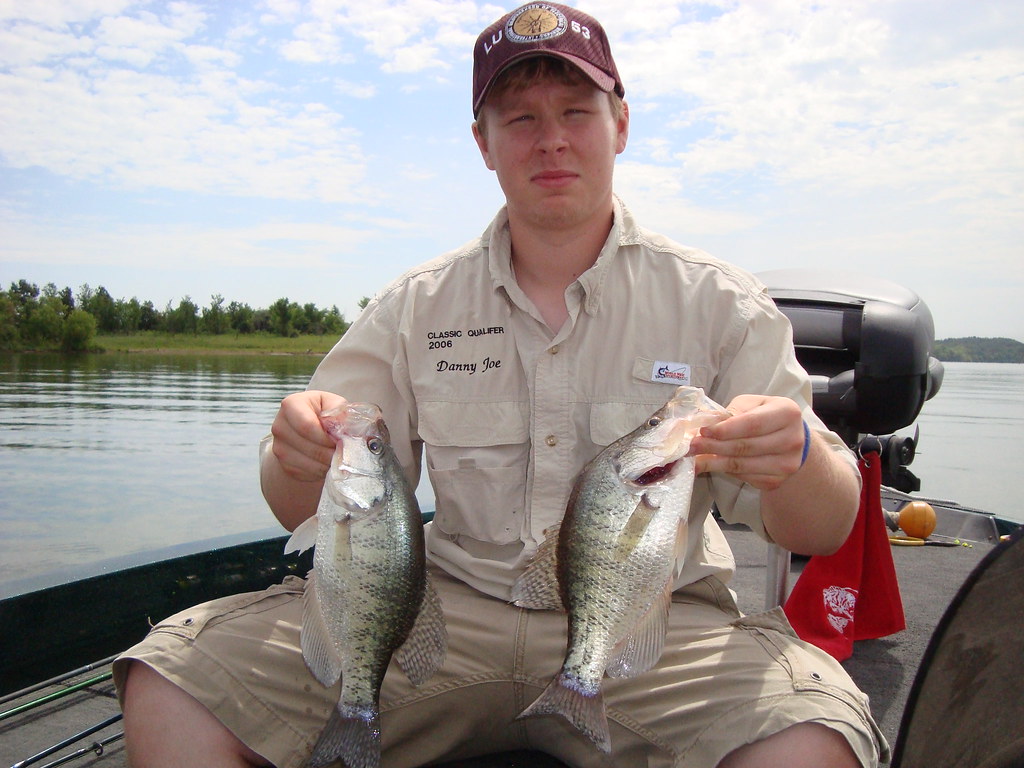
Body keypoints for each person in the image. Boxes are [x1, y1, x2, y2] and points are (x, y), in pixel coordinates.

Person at [115, 3, 888, 767]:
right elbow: (305, 508)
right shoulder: (413, 306)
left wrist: (795, 461)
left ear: (622, 123)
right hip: (440, 620)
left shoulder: (720, 304)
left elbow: (821, 529)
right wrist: (293, 454)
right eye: (518, 118)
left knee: (813, 741)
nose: (551, 138)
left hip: (646, 628)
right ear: (482, 143)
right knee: (169, 686)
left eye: (577, 111)